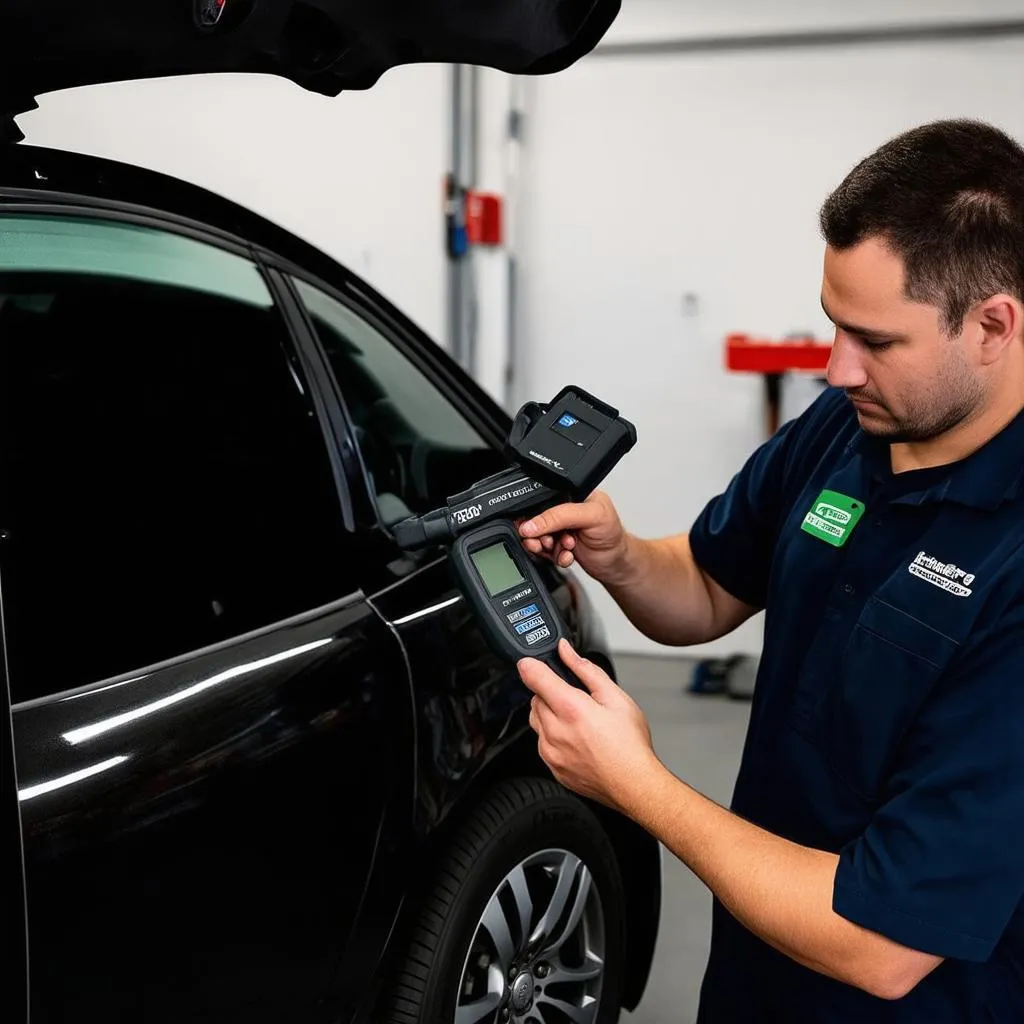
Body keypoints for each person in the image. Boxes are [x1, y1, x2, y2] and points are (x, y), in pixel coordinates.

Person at [515, 118, 1024, 1022]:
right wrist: (622, 558)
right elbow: (709, 589)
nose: (835, 368)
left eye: (875, 340)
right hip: (756, 977)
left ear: (993, 325)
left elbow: (884, 944)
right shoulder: (847, 429)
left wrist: (638, 786)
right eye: (832, 325)